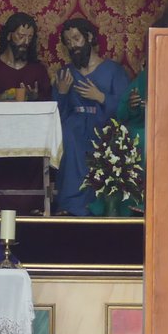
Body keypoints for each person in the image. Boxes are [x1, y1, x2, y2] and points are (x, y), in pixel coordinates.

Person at [53, 17, 131, 216]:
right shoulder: (66, 73)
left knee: (110, 144)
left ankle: (103, 205)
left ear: (89, 37)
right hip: (74, 128)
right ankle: (70, 206)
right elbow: (56, 115)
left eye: (76, 39)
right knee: (68, 139)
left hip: (104, 125)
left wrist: (101, 97)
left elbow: (126, 107)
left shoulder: (113, 70)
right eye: (68, 42)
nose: (73, 46)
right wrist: (62, 93)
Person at [0, 12, 55, 213]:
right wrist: (2, 98)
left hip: (28, 133)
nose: (25, 42)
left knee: (34, 152)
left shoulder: (37, 70)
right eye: (20, 36)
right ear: (8, 36)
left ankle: (32, 206)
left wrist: (34, 98)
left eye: (29, 38)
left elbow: (48, 104)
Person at [116, 65, 147, 214]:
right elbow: (121, 112)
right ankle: (135, 201)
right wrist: (132, 106)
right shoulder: (143, 79)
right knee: (136, 138)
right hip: (142, 129)